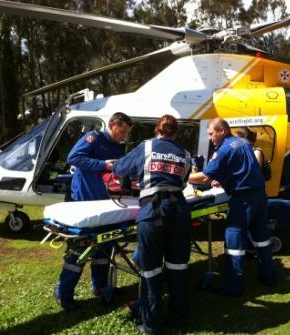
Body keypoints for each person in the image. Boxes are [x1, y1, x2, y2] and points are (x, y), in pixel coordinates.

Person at [113, 114, 192, 334]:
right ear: (176, 133)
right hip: (179, 212)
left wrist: (133, 179)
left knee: (151, 270)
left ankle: (151, 324)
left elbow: (120, 169)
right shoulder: (185, 154)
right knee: (178, 266)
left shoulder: (146, 147)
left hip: (153, 212)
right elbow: (182, 181)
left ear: (157, 130)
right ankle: (178, 315)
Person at [188, 117, 276, 297]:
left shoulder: (225, 149)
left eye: (211, 133)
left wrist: (182, 177)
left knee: (234, 241)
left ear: (222, 131)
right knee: (261, 239)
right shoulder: (243, 143)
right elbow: (243, 169)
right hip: (260, 196)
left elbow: (204, 177)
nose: (210, 138)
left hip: (243, 200)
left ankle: (233, 288)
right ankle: (269, 277)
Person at [54, 112, 132, 311]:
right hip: (84, 202)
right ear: (113, 125)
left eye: (127, 133)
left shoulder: (118, 146)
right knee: (80, 249)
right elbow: (74, 157)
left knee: (105, 244)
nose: (124, 136)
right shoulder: (93, 138)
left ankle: (100, 287)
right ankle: (63, 294)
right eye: (122, 131)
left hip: (105, 203)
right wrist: (103, 165)